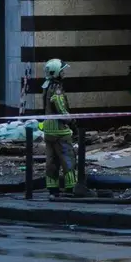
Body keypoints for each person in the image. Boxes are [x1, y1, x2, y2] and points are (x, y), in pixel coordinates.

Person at [40, 59, 79, 199]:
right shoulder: (57, 88)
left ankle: (52, 188)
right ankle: (71, 187)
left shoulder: (46, 85)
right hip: (60, 130)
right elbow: (61, 108)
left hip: (48, 130)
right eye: (62, 70)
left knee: (52, 160)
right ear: (56, 72)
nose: (64, 72)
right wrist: (72, 122)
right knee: (68, 158)